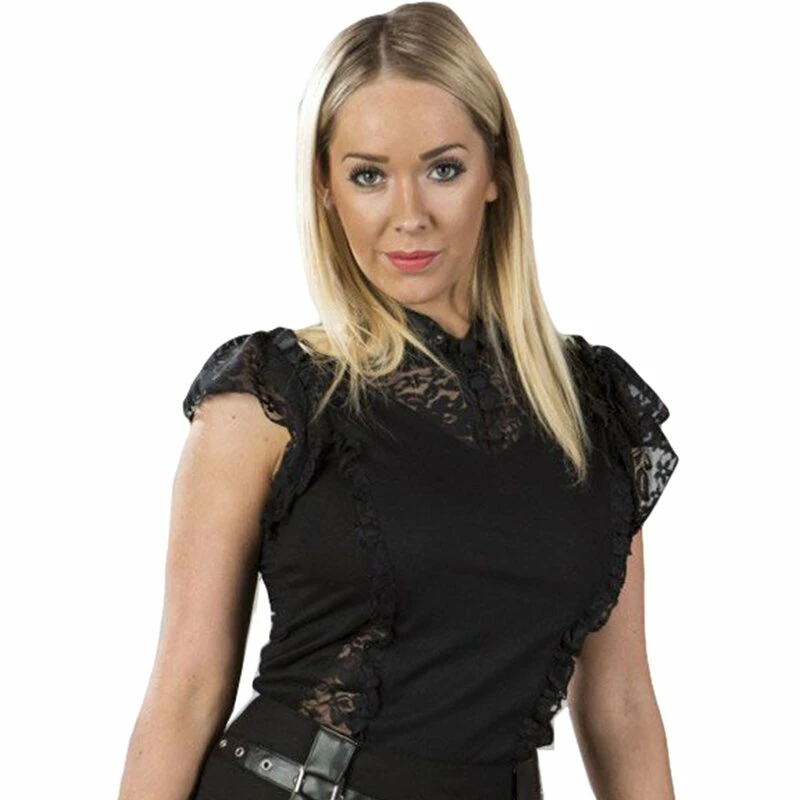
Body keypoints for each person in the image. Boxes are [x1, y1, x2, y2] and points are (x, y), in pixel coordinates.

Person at [118, 3, 679, 799]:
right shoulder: (268, 401)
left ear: (495, 173)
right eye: (368, 175)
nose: (408, 215)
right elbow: (184, 692)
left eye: (443, 169)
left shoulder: (593, 409)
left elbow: (621, 703)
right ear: (326, 188)